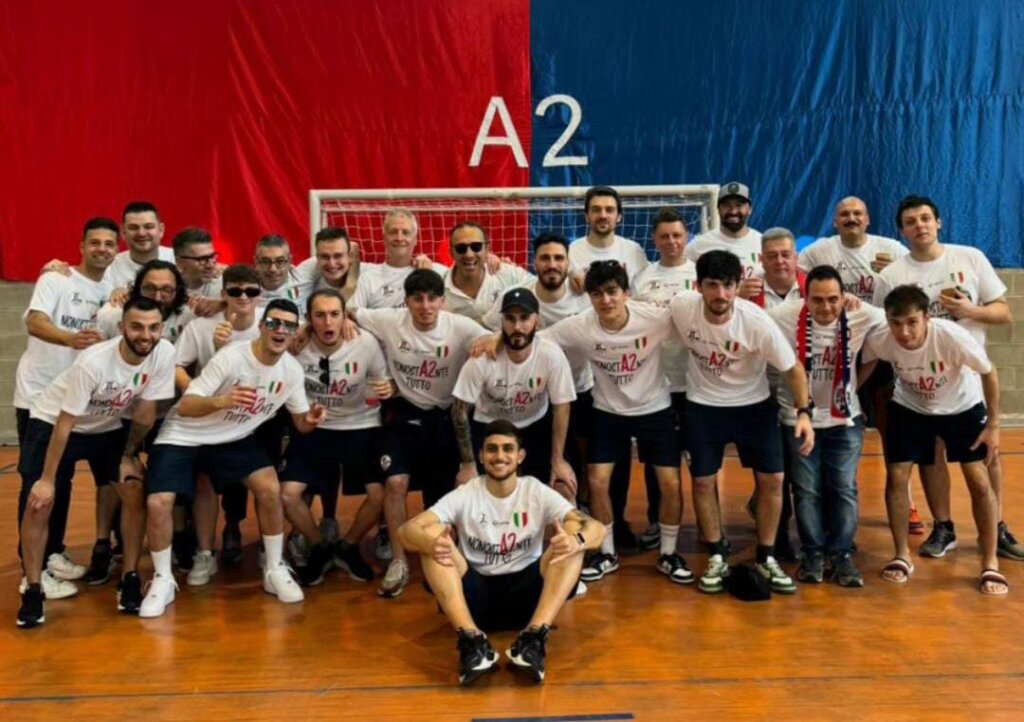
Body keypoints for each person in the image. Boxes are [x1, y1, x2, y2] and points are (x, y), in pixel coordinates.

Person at [139, 299, 326, 618]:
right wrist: (223, 401)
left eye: (288, 325)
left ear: (295, 333)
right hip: (184, 434)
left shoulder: (291, 370)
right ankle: (162, 579)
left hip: (232, 437)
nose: (280, 330)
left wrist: (311, 420)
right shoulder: (231, 357)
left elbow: (300, 423)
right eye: (274, 323)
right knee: (159, 502)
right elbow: (187, 406)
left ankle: (274, 568)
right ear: (262, 326)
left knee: (269, 488)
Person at [398, 420, 606, 685]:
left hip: (528, 598)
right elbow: (406, 531)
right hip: (476, 598)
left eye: (508, 449)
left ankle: (533, 639)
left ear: (520, 456)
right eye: (492, 449)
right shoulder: (466, 493)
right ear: (481, 456)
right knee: (432, 539)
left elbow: (597, 528)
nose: (499, 456)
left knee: (571, 541)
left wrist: (577, 540)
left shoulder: (535, 490)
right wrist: (429, 543)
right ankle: (473, 642)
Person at [874, 195, 1023, 561]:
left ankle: (997, 526)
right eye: (911, 221)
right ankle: (944, 527)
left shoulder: (969, 258)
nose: (920, 226)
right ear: (901, 231)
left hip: (968, 379)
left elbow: (1004, 313)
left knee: (986, 456)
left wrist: (970, 310)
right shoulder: (891, 276)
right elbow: (882, 325)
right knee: (931, 454)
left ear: (938, 222)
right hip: (921, 384)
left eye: (926, 218)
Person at [16, 298, 176, 626]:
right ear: (122, 328)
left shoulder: (163, 353)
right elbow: (65, 423)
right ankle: (32, 588)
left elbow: (145, 412)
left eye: (153, 327)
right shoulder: (93, 362)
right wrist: (47, 480)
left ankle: (129, 578)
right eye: (136, 327)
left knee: (134, 490)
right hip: (54, 422)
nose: (145, 335)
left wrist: (128, 454)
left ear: (161, 328)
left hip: (107, 428)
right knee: (39, 502)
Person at [669, 250, 814, 595]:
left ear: (737, 286)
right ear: (698, 286)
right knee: (702, 483)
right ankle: (717, 554)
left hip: (753, 407)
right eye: (712, 285)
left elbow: (793, 368)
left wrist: (804, 413)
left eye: (728, 285)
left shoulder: (755, 321)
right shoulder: (681, 307)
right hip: (703, 407)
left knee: (773, 480)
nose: (721, 294)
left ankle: (766, 555)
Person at [540, 261, 690, 584]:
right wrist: (493, 340)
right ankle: (606, 553)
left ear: (626, 293)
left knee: (671, 483)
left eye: (612, 292)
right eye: (597, 294)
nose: (605, 300)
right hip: (608, 411)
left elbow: (696, 323)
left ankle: (668, 553)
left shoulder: (654, 318)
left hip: (655, 409)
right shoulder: (580, 325)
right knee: (597, 480)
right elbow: (538, 339)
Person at [352, 269, 492, 598]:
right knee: (395, 483)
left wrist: (492, 339)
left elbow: (495, 337)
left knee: (446, 493)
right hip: (405, 412)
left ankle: (455, 556)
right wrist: (333, 323)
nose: (425, 306)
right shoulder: (389, 320)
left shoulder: (460, 327)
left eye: (432, 299)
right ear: (407, 302)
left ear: (443, 301)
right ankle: (399, 561)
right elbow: (350, 311)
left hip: (445, 417)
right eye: (418, 299)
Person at [865, 285, 1007, 595]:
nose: (904, 332)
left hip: (962, 406)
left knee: (977, 478)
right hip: (911, 407)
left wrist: (994, 425)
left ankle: (990, 561)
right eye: (896, 323)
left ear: (926, 318)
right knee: (897, 475)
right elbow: (865, 363)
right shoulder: (881, 339)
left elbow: (989, 372)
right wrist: (847, 395)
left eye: (912, 322)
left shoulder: (951, 337)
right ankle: (901, 554)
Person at [12, 217, 117, 596]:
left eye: (109, 243)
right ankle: (32, 572)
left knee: (64, 480)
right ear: (81, 246)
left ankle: (53, 551)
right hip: (38, 398)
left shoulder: (113, 286)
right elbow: (35, 322)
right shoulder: (56, 279)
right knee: (38, 483)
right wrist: (69, 338)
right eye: (95, 242)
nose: (102, 249)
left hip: (80, 404)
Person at [767, 265, 886, 586]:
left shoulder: (861, 314)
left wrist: (856, 385)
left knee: (843, 487)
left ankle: (842, 553)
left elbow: (898, 317)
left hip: (843, 419)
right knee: (806, 490)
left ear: (844, 296)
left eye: (834, 299)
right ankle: (813, 552)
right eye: (817, 300)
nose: (826, 307)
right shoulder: (783, 316)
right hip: (796, 418)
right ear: (804, 298)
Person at [279, 289, 391, 586]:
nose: (328, 322)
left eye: (334, 314)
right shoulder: (295, 344)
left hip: (360, 424)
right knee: (287, 494)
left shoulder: (365, 343)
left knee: (381, 494)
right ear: (308, 319)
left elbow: (383, 381)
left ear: (345, 317)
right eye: (319, 315)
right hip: (314, 426)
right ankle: (319, 546)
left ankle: (349, 546)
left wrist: (386, 389)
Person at [173, 264, 266, 573]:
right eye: (235, 291)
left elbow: (303, 333)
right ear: (223, 293)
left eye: (250, 291)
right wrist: (196, 392)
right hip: (211, 415)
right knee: (204, 481)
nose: (243, 297)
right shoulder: (201, 326)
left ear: (260, 295)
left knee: (263, 481)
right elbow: (176, 366)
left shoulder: (268, 323)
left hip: (257, 416)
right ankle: (204, 550)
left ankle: (250, 537)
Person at [453, 287, 577, 491]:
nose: (517, 326)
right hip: (489, 427)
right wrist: (468, 464)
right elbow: (459, 411)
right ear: (501, 322)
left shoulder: (551, 354)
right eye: (510, 319)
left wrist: (558, 459)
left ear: (537, 321)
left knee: (563, 486)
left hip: (535, 424)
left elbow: (562, 407)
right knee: (471, 489)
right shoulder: (482, 359)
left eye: (524, 318)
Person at [629, 208, 698, 550]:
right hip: (656, 384)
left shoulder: (700, 273)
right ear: (654, 240)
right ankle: (658, 521)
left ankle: (708, 526)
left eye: (677, 235)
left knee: (701, 461)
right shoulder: (643, 278)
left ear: (686, 237)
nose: (671, 241)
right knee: (658, 460)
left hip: (698, 384)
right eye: (664, 236)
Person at [798, 196, 907, 304]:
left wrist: (893, 273)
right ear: (835, 222)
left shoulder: (891, 248)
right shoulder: (818, 250)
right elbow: (793, 273)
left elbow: (913, 271)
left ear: (867, 220)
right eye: (844, 214)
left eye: (857, 213)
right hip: (835, 315)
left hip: (880, 315)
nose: (851, 219)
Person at [350, 209, 448, 310]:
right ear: (384, 238)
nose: (399, 238)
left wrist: (428, 278)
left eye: (406, 232)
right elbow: (352, 314)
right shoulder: (368, 279)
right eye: (393, 232)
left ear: (415, 240)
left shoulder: (436, 271)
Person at [685, 181, 763, 296]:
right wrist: (737, 293)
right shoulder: (700, 244)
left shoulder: (762, 243)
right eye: (727, 205)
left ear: (749, 209)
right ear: (718, 209)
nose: (733, 211)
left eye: (739, 205)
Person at [443, 222, 529, 323]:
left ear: (487, 249)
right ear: (451, 252)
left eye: (476, 247)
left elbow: (538, 288)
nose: (469, 254)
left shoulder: (507, 274)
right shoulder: (440, 285)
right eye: (461, 248)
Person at [105, 202, 177, 290]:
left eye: (148, 227)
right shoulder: (110, 267)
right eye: (133, 227)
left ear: (161, 230)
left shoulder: (178, 260)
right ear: (123, 232)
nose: (141, 233)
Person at [253, 233, 315, 310]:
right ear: (256, 262)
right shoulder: (247, 295)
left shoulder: (304, 275)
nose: (273, 269)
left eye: (280, 261)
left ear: (290, 261)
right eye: (266, 262)